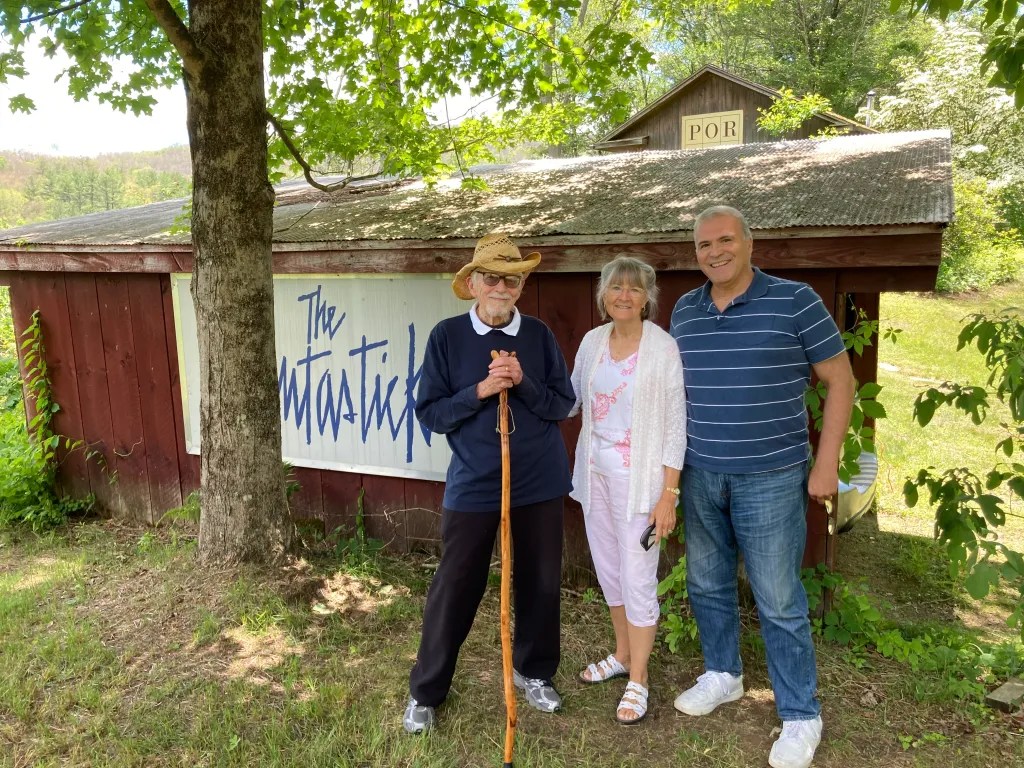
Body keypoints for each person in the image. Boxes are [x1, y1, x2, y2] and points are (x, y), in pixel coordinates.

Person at [669, 206, 855, 768]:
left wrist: (827, 464)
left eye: (725, 240)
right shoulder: (685, 309)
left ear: (750, 243)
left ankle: (800, 714)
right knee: (706, 582)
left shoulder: (796, 300)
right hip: (700, 471)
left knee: (778, 598)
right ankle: (723, 673)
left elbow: (841, 381)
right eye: (704, 245)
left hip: (773, 475)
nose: (715, 252)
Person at [403, 232, 575, 734]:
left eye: (513, 278)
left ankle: (534, 672)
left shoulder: (539, 336)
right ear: (474, 283)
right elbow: (431, 413)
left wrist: (523, 382)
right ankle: (426, 691)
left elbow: (561, 405)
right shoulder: (448, 337)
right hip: (476, 481)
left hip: (539, 480)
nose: (502, 286)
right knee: (456, 584)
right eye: (493, 277)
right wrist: (480, 390)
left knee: (541, 580)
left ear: (520, 287)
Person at [569, 256, 686, 725]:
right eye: (616, 287)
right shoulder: (593, 342)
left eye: (634, 289)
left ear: (647, 298)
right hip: (594, 478)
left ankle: (639, 678)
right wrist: (519, 383)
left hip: (641, 486)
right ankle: (621, 654)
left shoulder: (662, 349)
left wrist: (668, 494)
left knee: (638, 579)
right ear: (603, 295)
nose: (624, 296)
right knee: (610, 571)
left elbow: (676, 426)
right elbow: (572, 399)